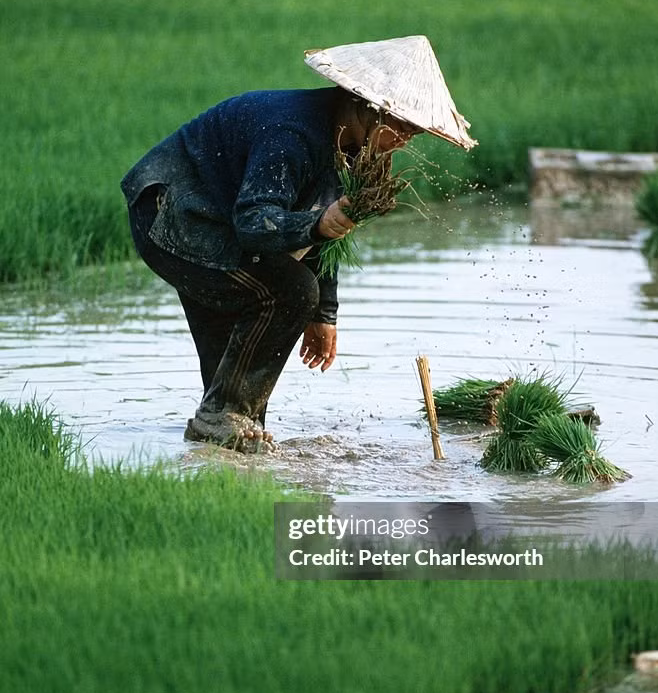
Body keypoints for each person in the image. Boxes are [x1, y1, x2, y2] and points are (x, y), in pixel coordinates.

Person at [121, 35, 475, 452]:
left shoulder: (351, 144)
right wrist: (318, 229)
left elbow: (326, 230)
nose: (403, 139)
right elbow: (255, 223)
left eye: (413, 132)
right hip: (174, 215)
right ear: (365, 106)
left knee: (239, 413)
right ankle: (221, 417)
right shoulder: (293, 134)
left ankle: (217, 438)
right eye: (398, 125)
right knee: (288, 290)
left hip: (213, 217)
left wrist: (324, 314)